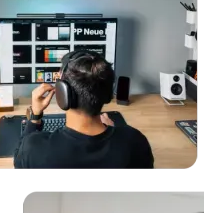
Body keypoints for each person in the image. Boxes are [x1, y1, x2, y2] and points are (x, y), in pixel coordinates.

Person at [14, 49, 154, 170]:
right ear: (108, 94)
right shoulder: (135, 142)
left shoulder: (34, 148)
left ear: (63, 93)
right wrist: (115, 133)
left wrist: (35, 117)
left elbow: (19, 161)